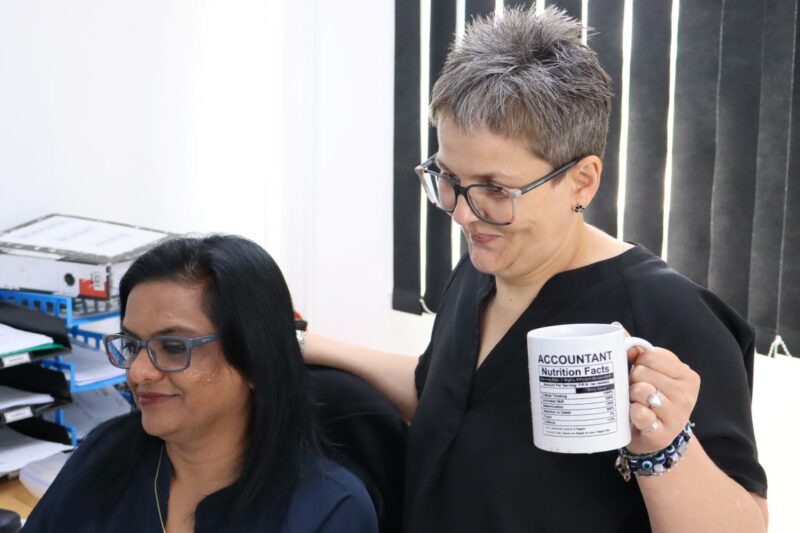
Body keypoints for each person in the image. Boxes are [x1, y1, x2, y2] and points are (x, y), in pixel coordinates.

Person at [303, 6, 768, 532]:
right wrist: (307, 344)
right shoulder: (482, 269)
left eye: (496, 190)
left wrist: (665, 445)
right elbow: (443, 394)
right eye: (449, 178)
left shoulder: (672, 317)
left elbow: (744, 524)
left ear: (582, 181)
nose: (461, 212)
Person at [23, 235, 378, 533]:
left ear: (254, 360)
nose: (139, 372)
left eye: (174, 347)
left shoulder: (328, 511)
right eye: (132, 345)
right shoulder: (105, 453)